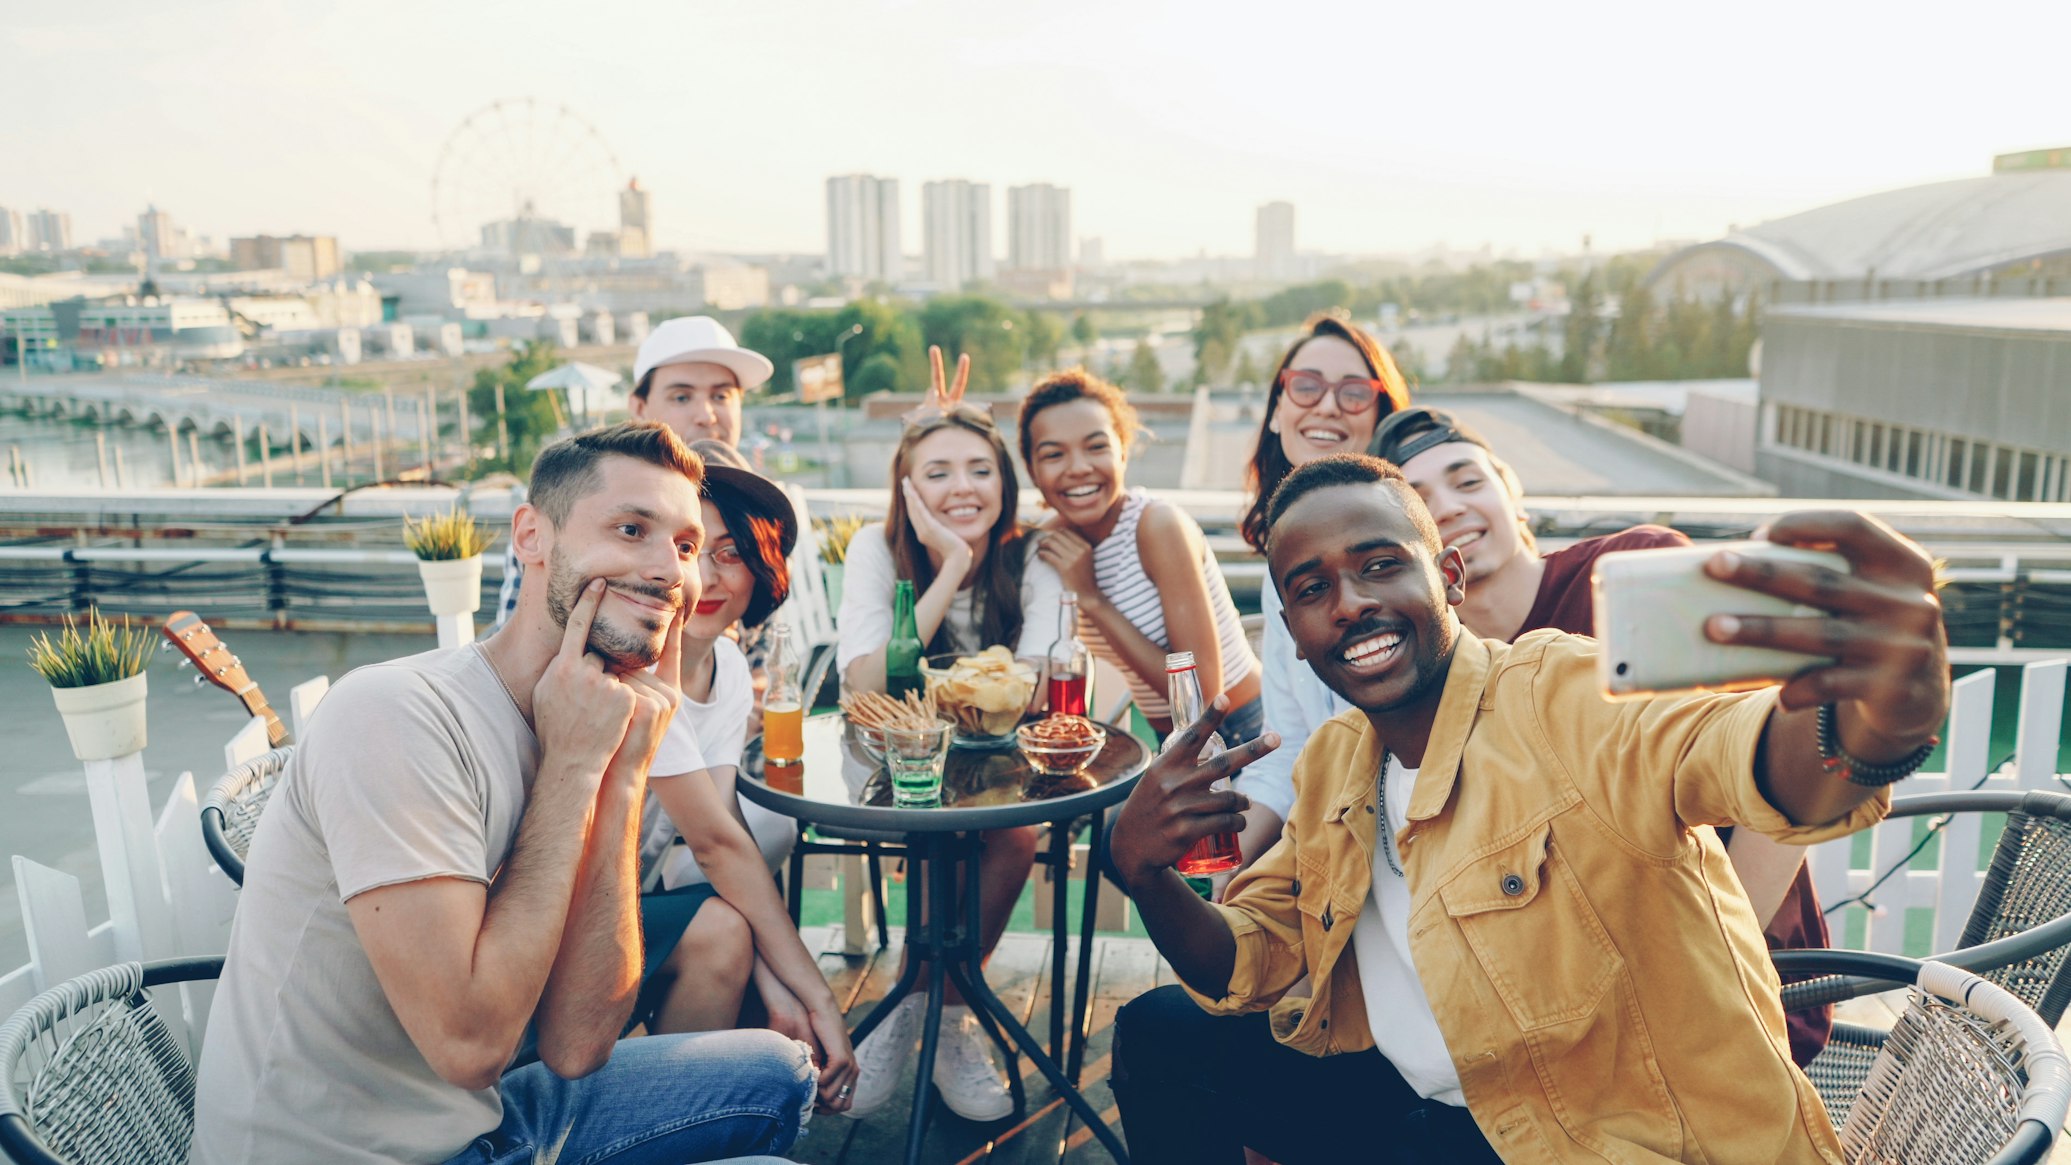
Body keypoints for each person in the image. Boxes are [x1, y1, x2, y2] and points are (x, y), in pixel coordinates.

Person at [1107, 453, 1948, 1164]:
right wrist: (1142, 872)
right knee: (1164, 1033)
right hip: (1438, 1101)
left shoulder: (1561, 695)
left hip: (1611, 1136)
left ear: (1447, 576)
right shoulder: (1337, 762)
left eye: (1377, 564)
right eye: (1312, 586)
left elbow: (1759, 758)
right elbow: (1247, 959)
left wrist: (1876, 716)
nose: (1351, 601)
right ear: (1292, 629)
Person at [192, 422, 821, 1165]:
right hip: (358, 1150)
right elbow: (471, 1044)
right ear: (532, 536)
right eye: (630, 529)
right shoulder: (397, 713)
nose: (670, 571)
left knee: (779, 1073)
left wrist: (620, 773)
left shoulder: (592, 718)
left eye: (685, 546)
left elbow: (579, 1044)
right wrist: (575, 769)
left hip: (481, 1122)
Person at [1369, 406, 1832, 1064]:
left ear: (1513, 497)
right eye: (1417, 500)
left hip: (1739, 1001)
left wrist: (1716, 964)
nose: (1446, 507)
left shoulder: (1629, 574)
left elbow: (1801, 734)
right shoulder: (1434, 679)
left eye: (1466, 481)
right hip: (1574, 1032)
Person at [835, 347, 1051, 1122]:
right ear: (906, 486)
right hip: (894, 755)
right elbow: (866, 684)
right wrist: (950, 564)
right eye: (937, 472)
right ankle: (925, 1004)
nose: (962, 487)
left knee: (1012, 835)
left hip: (1004, 761)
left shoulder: (1035, 553)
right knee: (928, 820)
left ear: (1004, 479)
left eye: (978, 469)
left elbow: (1032, 686)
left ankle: (930, 1008)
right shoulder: (874, 547)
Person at [636, 441, 849, 1086]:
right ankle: (664, 1116)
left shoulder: (727, 669)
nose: (707, 576)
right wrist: (819, 995)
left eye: (731, 554)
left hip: (641, 906)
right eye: (688, 549)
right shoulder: (635, 667)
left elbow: (724, 840)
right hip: (555, 922)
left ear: (761, 567)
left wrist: (782, 985)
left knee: (765, 1005)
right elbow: (716, 846)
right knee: (731, 937)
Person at [1227, 314, 1411, 881]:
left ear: (1382, 419)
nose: (1328, 406)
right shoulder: (1280, 568)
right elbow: (1291, 751)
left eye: (1355, 393)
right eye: (1307, 386)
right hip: (1328, 847)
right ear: (1279, 407)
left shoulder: (1413, 562)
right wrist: (1227, 870)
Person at [1018, 367, 1263, 740]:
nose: (1079, 468)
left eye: (1096, 447)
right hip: (1169, 741)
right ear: (1033, 472)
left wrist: (1092, 599)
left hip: (1246, 729)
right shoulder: (1050, 544)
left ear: (1123, 451)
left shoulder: (1157, 527)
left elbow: (1204, 697)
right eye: (1054, 455)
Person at [497, 315, 772, 626]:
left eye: (721, 396)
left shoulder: (758, 503)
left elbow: (763, 634)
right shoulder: (577, 500)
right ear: (639, 407)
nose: (706, 415)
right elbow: (523, 637)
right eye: (681, 397)